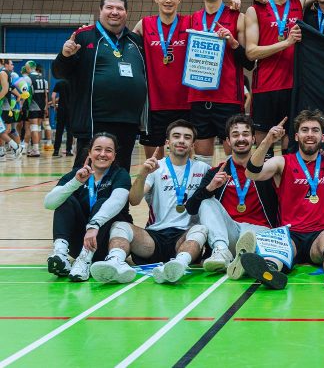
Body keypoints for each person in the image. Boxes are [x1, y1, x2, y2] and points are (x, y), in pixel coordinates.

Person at [241, 110, 324, 290]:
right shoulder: (283, 162)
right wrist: (268, 140)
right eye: (305, 130)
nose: (310, 134)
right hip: (290, 233)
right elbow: (251, 173)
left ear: (322, 137)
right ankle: (269, 272)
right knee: (278, 253)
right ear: (297, 136)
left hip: (320, 233)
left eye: (315, 130)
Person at [90, 120, 211, 284]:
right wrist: (143, 174)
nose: (181, 140)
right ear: (168, 142)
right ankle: (115, 263)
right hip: (154, 238)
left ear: (193, 144)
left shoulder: (202, 168)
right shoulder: (156, 167)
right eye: (176, 136)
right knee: (119, 226)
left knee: (201, 229)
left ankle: (179, 265)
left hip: (184, 237)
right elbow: (134, 200)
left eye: (187, 137)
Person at [53, 0, 147, 170]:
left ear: (126, 13)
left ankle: (120, 199)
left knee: (121, 172)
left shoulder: (135, 41)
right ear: (100, 11)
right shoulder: (83, 36)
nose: (114, 12)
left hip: (128, 121)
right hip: (94, 120)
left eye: (119, 8)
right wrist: (65, 55)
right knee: (86, 171)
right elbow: (59, 72)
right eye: (109, 7)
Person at [185, 114, 276, 278]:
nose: (241, 138)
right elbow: (191, 208)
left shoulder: (267, 170)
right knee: (206, 201)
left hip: (260, 232)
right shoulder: (217, 172)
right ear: (227, 141)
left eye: (245, 134)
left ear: (254, 139)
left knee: (253, 238)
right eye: (235, 135)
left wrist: (323, 154)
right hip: (230, 233)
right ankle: (222, 252)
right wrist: (210, 188)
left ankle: (242, 259)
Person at [43, 133, 131, 282]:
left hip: (107, 244)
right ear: (89, 153)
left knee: (103, 202)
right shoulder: (76, 174)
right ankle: (61, 254)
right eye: (98, 149)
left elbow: (118, 201)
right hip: (79, 242)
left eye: (108, 150)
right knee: (65, 199)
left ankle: (84, 260)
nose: (103, 154)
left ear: (114, 155)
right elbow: (49, 203)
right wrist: (75, 182)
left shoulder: (120, 175)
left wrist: (94, 224)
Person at [188, 0, 247, 166]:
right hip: (198, 97)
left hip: (228, 98)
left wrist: (232, 42)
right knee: (202, 162)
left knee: (236, 159)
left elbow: (249, 61)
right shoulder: (192, 19)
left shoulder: (237, 17)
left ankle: (234, 195)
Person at [245, 0, 305, 149]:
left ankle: (286, 179)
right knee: (264, 144)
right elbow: (251, 52)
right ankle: (263, 180)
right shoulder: (255, 9)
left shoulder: (301, 2)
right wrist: (286, 43)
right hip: (265, 86)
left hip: (293, 86)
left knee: (290, 142)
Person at [134, 0, 193, 160]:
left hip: (185, 104)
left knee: (184, 160)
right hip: (154, 105)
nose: (168, 0)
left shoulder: (190, 22)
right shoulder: (144, 25)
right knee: (153, 164)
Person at [26, 60, 49, 157]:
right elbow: (46, 95)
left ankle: (35, 150)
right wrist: (46, 107)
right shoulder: (43, 79)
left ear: (28, 68)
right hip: (42, 105)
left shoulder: (28, 78)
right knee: (38, 128)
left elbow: (25, 94)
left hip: (33, 105)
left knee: (33, 128)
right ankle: (36, 148)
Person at [51, 78, 74, 157]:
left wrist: (54, 106)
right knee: (70, 131)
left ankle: (56, 150)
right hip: (71, 110)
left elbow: (53, 96)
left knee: (59, 130)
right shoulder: (73, 82)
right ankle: (68, 150)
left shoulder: (59, 83)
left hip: (61, 109)